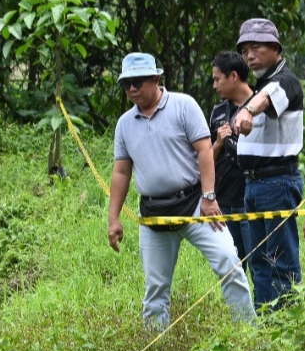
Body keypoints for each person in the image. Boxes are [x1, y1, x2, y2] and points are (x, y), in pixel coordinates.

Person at [107, 52, 255, 327]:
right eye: (126, 84)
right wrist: (113, 218)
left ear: (156, 79)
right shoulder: (125, 124)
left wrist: (209, 197)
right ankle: (156, 345)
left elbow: (205, 152)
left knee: (229, 263)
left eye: (137, 82)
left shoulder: (184, 106)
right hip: (154, 213)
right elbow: (121, 172)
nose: (132, 89)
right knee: (155, 288)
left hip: (195, 203)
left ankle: (246, 330)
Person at [230, 18, 304, 311]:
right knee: (259, 261)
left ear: (275, 48)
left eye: (256, 47)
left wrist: (247, 110)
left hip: (277, 182)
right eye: (245, 50)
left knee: (279, 261)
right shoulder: (263, 83)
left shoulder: (285, 81)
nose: (249, 55)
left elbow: (266, 98)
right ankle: (267, 325)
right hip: (254, 184)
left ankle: (287, 326)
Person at [208, 51, 254, 270]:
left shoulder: (262, 105)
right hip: (224, 200)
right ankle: (238, 306)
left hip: (252, 199)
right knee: (232, 265)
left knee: (258, 262)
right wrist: (218, 142)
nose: (215, 86)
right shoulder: (218, 112)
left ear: (233, 76)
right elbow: (206, 156)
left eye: (217, 79)